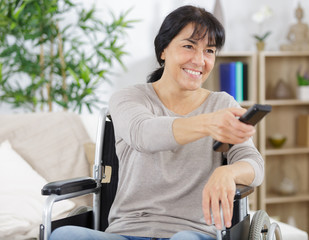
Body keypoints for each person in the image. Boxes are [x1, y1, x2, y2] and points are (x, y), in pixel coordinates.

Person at [50, 5, 264, 240]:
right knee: (64, 234)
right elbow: (144, 134)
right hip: (127, 232)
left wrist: (229, 172)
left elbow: (254, 164)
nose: (199, 60)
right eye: (188, 46)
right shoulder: (129, 98)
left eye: (209, 51)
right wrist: (209, 124)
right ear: (163, 50)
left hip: (191, 233)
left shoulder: (221, 104)